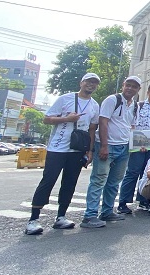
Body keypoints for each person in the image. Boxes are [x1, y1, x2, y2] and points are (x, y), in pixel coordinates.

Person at [25, 72, 101, 235]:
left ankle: (61, 217)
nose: (91, 85)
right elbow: (46, 119)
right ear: (81, 83)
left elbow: (92, 129)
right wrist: (66, 119)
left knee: (70, 183)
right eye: (88, 81)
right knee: (48, 180)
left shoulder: (95, 105)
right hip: (57, 148)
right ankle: (33, 219)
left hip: (77, 150)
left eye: (94, 83)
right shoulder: (65, 99)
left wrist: (90, 150)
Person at [82, 75, 142, 228]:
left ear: (138, 89)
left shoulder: (135, 106)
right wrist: (103, 145)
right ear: (123, 85)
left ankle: (107, 211)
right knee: (99, 179)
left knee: (114, 182)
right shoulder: (112, 100)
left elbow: (132, 127)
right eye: (128, 85)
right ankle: (89, 216)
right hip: (107, 146)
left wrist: (134, 145)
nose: (130, 88)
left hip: (124, 147)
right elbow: (103, 121)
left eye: (134, 86)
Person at [117, 82, 150, 214]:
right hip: (138, 147)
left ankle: (143, 200)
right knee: (132, 173)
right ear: (148, 92)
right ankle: (123, 203)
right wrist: (136, 142)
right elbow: (131, 125)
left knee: (148, 175)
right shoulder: (138, 106)